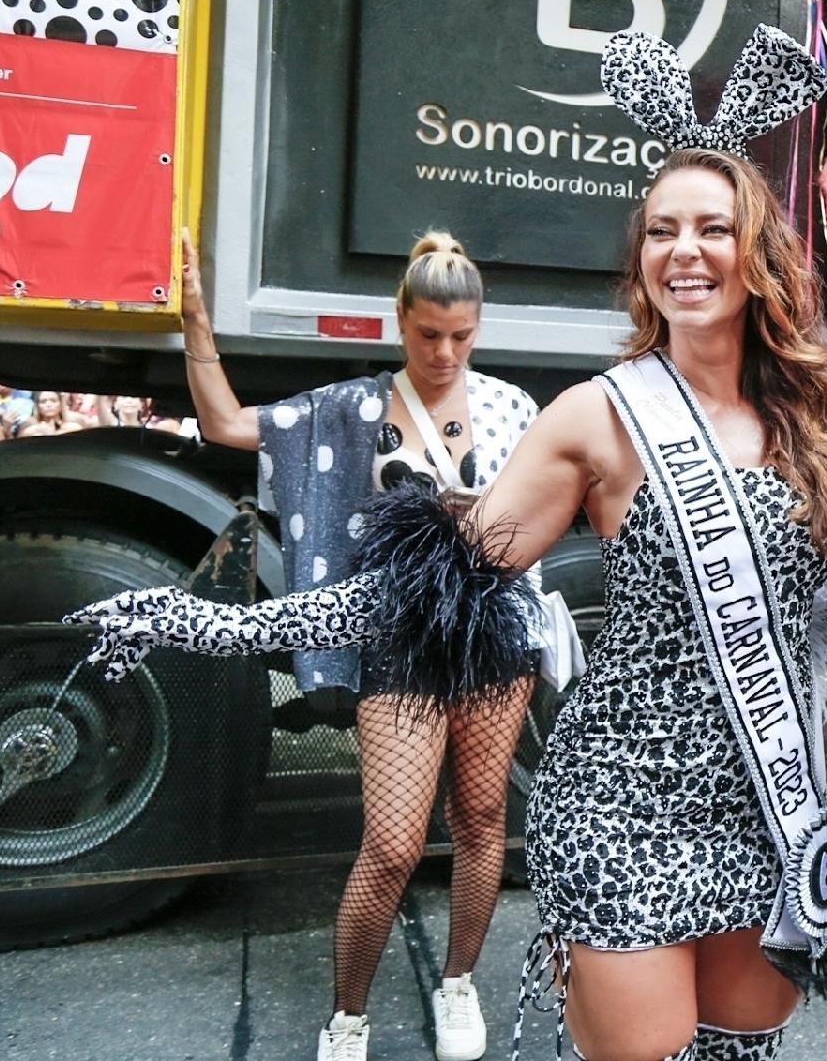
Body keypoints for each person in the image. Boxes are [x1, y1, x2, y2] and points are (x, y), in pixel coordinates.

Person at [74, 25, 827, 1061]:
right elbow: (424, 590)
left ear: (758, 249)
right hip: (622, 801)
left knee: (741, 1048)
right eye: (662, 229)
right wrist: (206, 621)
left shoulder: (820, 421)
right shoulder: (596, 415)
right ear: (639, 255)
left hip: (766, 801)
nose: (686, 251)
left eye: (713, 228)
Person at [178, 227, 541, 1061]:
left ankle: (457, 984)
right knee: (391, 844)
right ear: (400, 321)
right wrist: (197, 321)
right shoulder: (352, 406)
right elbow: (228, 424)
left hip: (494, 635)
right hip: (400, 640)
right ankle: (348, 1015)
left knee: (484, 819)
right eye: (427, 335)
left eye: (461, 336)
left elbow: (549, 512)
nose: (444, 352)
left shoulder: (510, 407)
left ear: (477, 329)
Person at [17, 391, 85, 438]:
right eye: (43, 402)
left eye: (53, 401)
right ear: (38, 405)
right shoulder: (30, 430)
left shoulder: (74, 427)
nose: (48, 405)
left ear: (60, 403)